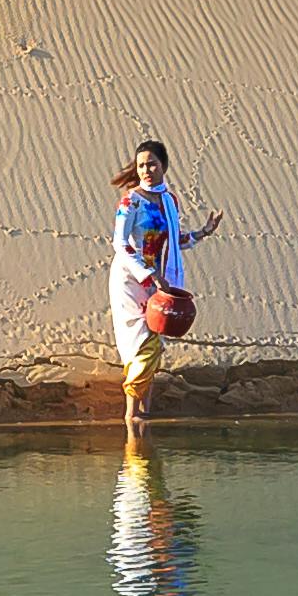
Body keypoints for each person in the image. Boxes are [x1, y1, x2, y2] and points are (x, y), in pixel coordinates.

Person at [108, 139, 220, 416]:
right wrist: (150, 274)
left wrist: (202, 233)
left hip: (160, 282)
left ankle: (144, 413)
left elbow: (171, 240)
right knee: (141, 344)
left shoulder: (170, 200)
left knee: (156, 341)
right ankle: (131, 417)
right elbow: (120, 244)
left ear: (164, 166)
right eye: (141, 165)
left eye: (152, 164)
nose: (146, 170)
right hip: (132, 281)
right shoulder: (130, 201)